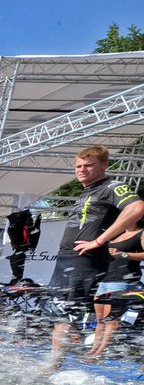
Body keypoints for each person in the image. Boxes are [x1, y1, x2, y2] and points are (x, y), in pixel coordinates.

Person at [47, 146, 144, 367]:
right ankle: (58, 358)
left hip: (86, 258)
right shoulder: (86, 191)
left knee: (66, 308)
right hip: (67, 256)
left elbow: (137, 208)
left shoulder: (112, 186)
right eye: (78, 166)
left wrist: (99, 241)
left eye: (88, 165)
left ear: (103, 165)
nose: (82, 170)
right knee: (57, 308)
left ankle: (55, 363)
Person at [83, 217, 144, 360]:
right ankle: (94, 349)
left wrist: (124, 254)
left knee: (111, 319)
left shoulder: (141, 233)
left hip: (123, 280)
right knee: (100, 319)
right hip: (104, 279)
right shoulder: (115, 233)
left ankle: (100, 352)